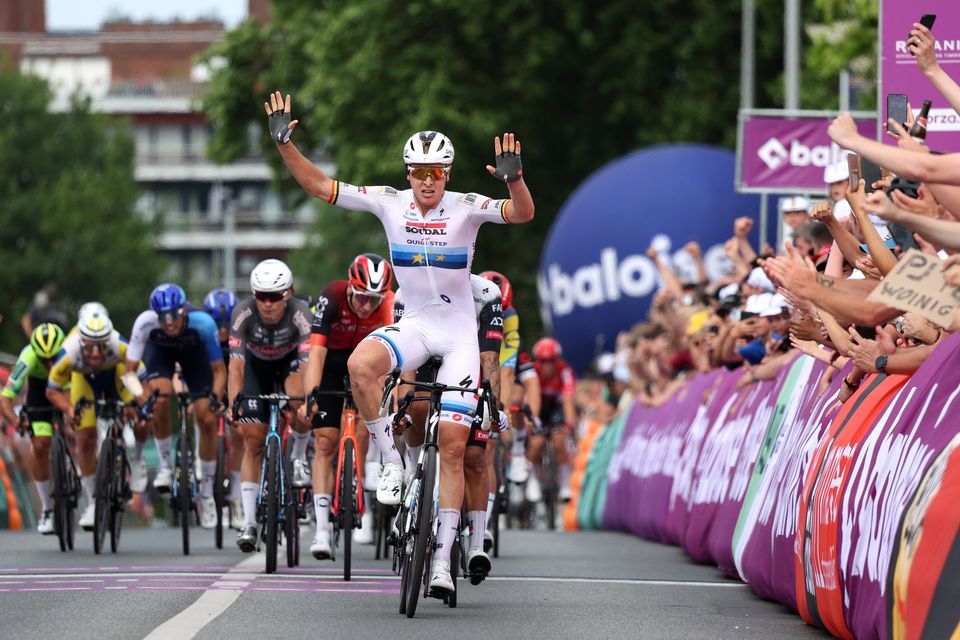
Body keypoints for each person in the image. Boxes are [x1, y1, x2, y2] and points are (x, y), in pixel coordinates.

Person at [264, 90, 535, 594]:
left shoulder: (468, 207)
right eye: (418, 172)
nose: (427, 181)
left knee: (453, 449)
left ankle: (440, 564)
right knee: (361, 366)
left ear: (448, 173)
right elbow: (320, 184)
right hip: (415, 325)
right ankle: (389, 458)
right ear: (407, 172)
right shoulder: (389, 201)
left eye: (436, 173)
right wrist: (285, 146)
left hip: (457, 337)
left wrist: (515, 180)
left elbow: (522, 215)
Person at [393, 272, 506, 581]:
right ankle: (414, 467)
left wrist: (495, 403)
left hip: (467, 367)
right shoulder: (407, 290)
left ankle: (476, 542)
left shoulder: (485, 293)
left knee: (473, 458)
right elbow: (405, 362)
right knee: (414, 405)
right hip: (424, 364)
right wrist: (400, 404)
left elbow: (490, 359)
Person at [299, 253, 395, 560]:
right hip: (331, 362)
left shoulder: (388, 302)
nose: (367, 305)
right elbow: (316, 353)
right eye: (362, 297)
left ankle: (363, 480)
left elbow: (394, 355)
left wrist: (391, 395)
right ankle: (323, 530)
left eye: (374, 299)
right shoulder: (332, 295)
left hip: (366, 363)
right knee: (325, 443)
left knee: (368, 427)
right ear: (350, 286)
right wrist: (311, 394)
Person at [125, 284, 227, 528]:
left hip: (196, 359)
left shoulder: (203, 323)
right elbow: (129, 372)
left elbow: (219, 371)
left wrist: (214, 398)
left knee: (207, 418)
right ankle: (165, 466)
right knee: (160, 399)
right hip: (161, 355)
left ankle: (207, 492)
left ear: (184, 311)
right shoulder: (145, 323)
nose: (168, 322)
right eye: (162, 317)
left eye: (173, 315)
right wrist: (142, 397)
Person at [228, 259, 313, 552]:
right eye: (261, 296)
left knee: (300, 402)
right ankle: (249, 522)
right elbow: (236, 367)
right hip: (255, 369)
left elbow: (305, 367)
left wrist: (305, 402)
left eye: (274, 297)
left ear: (288, 294)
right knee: (253, 443)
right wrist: (233, 404)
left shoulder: (301, 314)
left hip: (289, 367)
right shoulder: (242, 313)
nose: (266, 303)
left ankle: (299, 457)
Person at [45, 305, 144, 530]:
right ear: (81, 342)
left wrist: (138, 404)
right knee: (86, 437)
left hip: (117, 375)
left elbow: (140, 379)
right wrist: (70, 410)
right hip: (84, 381)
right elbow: (52, 390)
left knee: (136, 410)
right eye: (90, 348)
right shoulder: (68, 350)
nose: (96, 354)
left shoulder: (121, 345)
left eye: (101, 347)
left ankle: (133, 461)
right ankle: (92, 502)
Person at [0, 324, 66, 535]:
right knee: (40, 446)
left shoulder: (70, 353)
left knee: (85, 433)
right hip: (40, 392)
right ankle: (47, 509)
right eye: (43, 359)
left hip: (67, 386)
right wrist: (15, 420)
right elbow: (6, 398)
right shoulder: (27, 356)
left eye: (52, 358)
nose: (48, 364)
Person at [204, 287, 244, 530]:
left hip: (235, 386)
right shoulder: (202, 336)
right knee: (203, 419)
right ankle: (203, 475)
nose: (221, 328)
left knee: (241, 434)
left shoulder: (240, 337)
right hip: (208, 386)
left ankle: (237, 495)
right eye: (215, 322)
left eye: (226, 323)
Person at [530, 337, 576, 503]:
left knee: (559, 441)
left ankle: (564, 484)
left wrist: (569, 424)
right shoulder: (532, 371)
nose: (547, 365)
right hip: (539, 406)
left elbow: (568, 400)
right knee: (536, 443)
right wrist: (531, 422)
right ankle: (534, 479)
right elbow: (529, 400)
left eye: (551, 361)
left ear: (557, 360)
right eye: (543, 361)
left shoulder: (565, 371)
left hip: (556, 407)